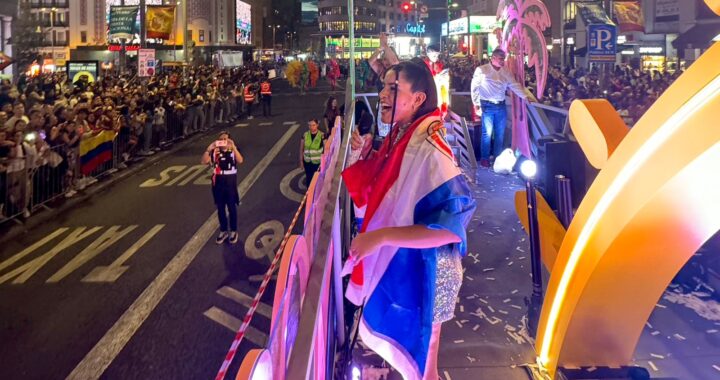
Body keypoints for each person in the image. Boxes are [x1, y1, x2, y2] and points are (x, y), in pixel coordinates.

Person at [341, 61, 476, 380]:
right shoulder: (402, 138)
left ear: (418, 99)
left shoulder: (430, 147)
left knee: (422, 354)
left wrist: (380, 237)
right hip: (408, 263)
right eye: (382, 87)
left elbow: (449, 230)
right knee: (417, 353)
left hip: (429, 269)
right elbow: (379, 188)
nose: (383, 95)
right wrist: (363, 156)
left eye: (393, 88)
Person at [470, 48, 537, 167]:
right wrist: (476, 104)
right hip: (487, 104)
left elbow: (514, 85)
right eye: (501, 59)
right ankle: (485, 158)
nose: (503, 61)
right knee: (487, 133)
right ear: (493, 58)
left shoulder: (506, 71)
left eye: (503, 59)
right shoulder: (482, 70)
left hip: (501, 105)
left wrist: (525, 96)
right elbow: (474, 87)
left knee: (500, 133)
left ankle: (497, 157)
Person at [202, 131, 244, 244]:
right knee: (220, 208)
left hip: (230, 182)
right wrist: (209, 148)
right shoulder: (215, 152)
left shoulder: (233, 151)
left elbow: (240, 160)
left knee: (231, 207)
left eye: (225, 139)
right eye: (220, 139)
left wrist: (233, 147)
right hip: (218, 182)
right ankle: (223, 230)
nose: (222, 142)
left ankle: (234, 230)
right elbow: (204, 161)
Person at [299, 119, 324, 187]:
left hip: (317, 163)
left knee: (317, 181)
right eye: (310, 125)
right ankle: (309, 194)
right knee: (309, 179)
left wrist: (323, 163)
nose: (311, 127)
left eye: (313, 125)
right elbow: (301, 149)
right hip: (307, 162)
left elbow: (325, 151)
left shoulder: (322, 135)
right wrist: (301, 161)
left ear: (317, 125)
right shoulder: (305, 135)